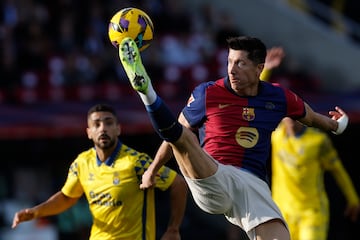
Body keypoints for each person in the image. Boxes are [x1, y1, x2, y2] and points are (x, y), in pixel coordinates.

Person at [117, 35, 349, 240]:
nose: (231, 69)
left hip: (253, 186)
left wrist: (338, 125)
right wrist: (153, 170)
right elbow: (173, 137)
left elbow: (312, 118)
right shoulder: (208, 93)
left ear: (259, 68)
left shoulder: (278, 96)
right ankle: (147, 91)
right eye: (229, 62)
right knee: (184, 137)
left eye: (240, 63)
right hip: (214, 175)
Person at [11, 104, 188, 240]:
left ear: (118, 129)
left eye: (108, 123)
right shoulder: (82, 162)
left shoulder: (136, 162)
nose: (103, 128)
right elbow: (67, 197)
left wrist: (173, 229)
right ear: (89, 132)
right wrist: (36, 212)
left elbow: (178, 183)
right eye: (96, 124)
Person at [271, 117, 360, 240]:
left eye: (295, 113)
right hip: (283, 211)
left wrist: (352, 197)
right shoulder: (276, 136)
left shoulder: (318, 141)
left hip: (312, 211)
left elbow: (337, 170)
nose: (291, 118)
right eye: (288, 113)